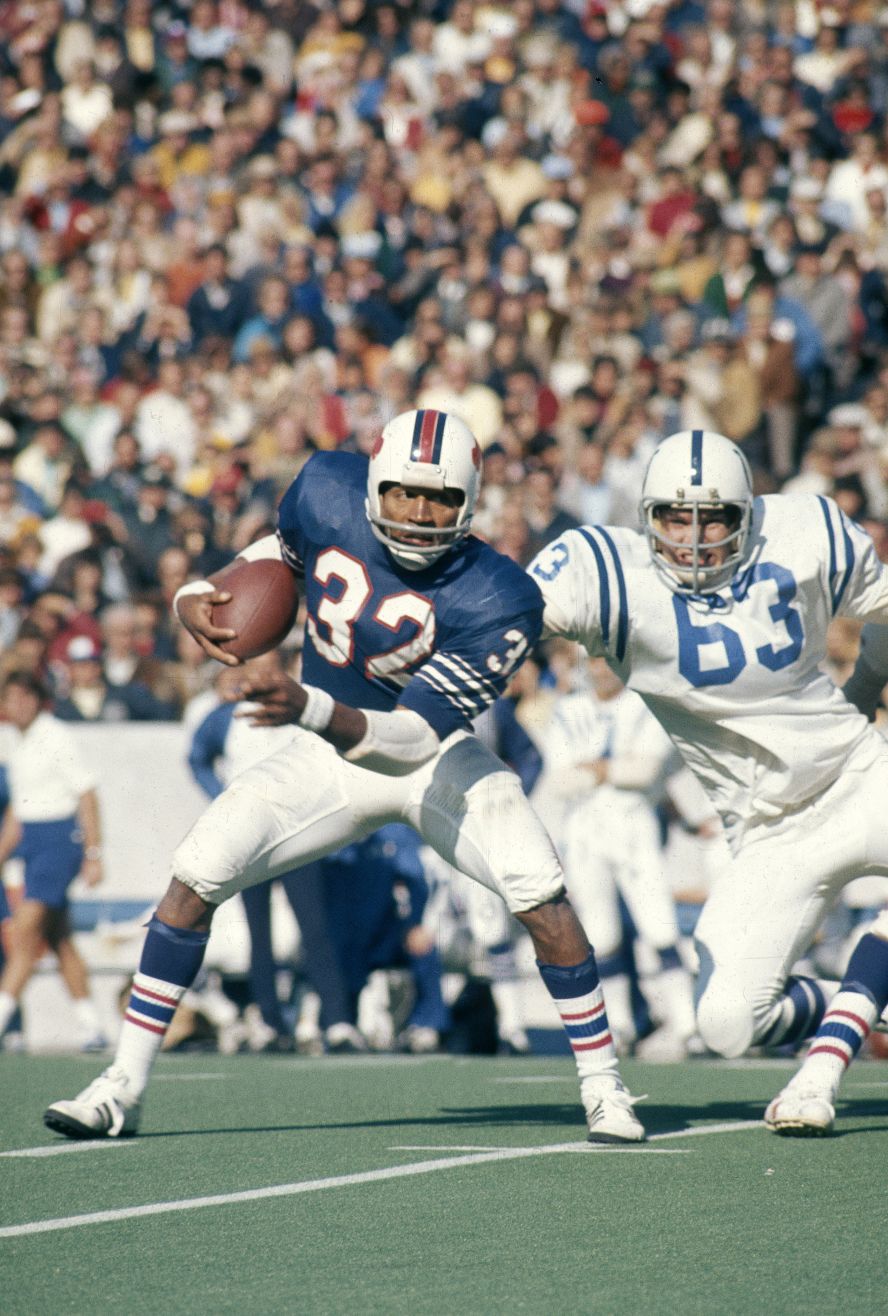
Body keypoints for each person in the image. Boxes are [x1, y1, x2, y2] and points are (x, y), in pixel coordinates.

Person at [44, 409, 644, 1144]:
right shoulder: (325, 485)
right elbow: (282, 549)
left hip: (429, 759)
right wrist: (195, 592)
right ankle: (122, 1086)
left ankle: (605, 1086)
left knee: (540, 894)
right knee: (195, 873)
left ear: (473, 501)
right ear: (370, 486)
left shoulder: (502, 594)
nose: (420, 515)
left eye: (442, 499)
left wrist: (309, 704)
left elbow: (410, 738)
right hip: (326, 754)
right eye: (402, 494)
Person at [525, 427, 888, 1136]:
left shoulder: (806, 530)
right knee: (725, 1023)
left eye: (716, 516)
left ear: (748, 515)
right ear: (647, 517)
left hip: (857, 775)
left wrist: (867, 683)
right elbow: (499, 618)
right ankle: (863, 996)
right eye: (675, 516)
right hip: (768, 830)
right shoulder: (607, 571)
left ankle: (823, 1069)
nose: (694, 537)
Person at [187, 652, 362, 1054]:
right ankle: (269, 1021)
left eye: (271, 667)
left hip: (297, 831)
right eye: (256, 667)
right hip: (248, 834)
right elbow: (197, 757)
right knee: (258, 931)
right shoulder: (225, 716)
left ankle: (337, 1022)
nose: (263, 674)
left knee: (314, 928)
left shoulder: (298, 709)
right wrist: (223, 798)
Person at [544, 658, 697, 1060]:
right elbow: (559, 777)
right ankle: (621, 1026)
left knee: (659, 925)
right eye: (594, 659)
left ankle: (686, 1025)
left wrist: (597, 769)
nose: (602, 668)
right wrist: (613, 769)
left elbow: (647, 771)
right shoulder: (568, 708)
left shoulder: (644, 703)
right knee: (601, 933)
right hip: (585, 829)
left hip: (632, 824)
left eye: (609, 659)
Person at [0, 670, 108, 1051]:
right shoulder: (16, 742)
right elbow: (20, 806)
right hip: (33, 842)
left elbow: (87, 793)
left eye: (23, 697)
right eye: (10, 699)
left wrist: (94, 853)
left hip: (59, 840)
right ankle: (91, 1026)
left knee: (25, 930)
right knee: (60, 939)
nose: (17, 706)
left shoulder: (56, 735)